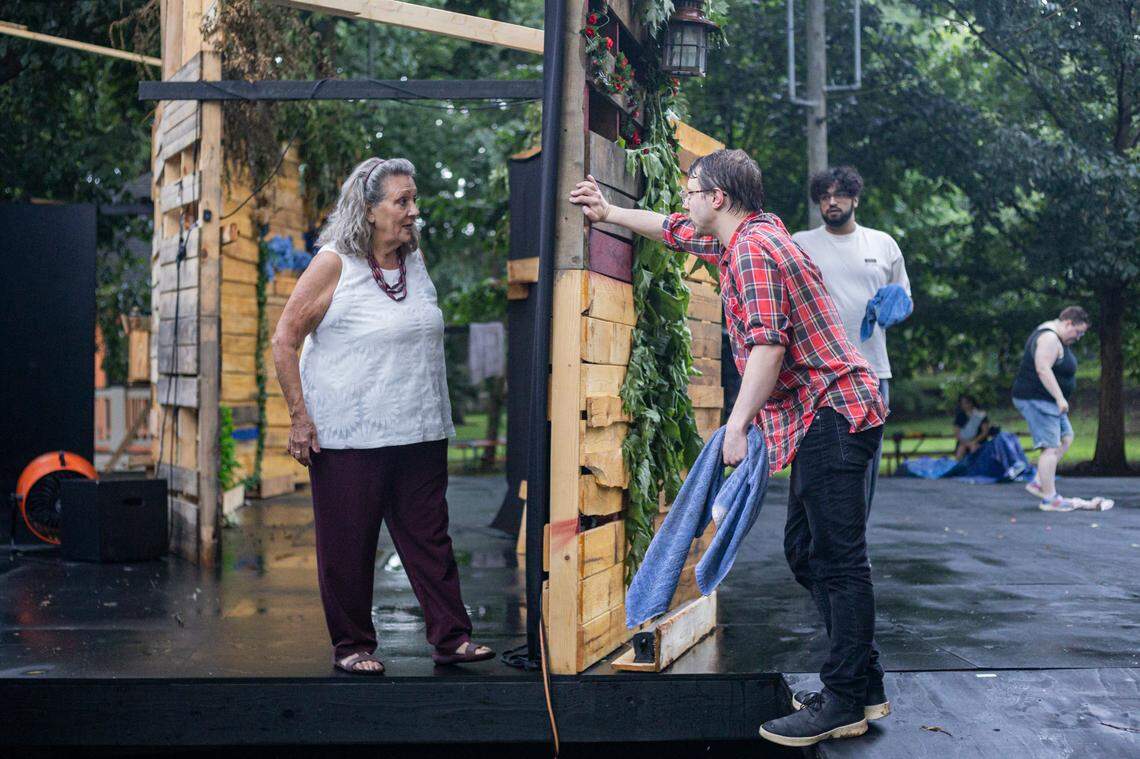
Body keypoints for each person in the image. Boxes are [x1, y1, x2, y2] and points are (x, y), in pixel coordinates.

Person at [570, 150, 888, 748]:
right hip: (826, 413)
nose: (686, 199)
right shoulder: (750, 234)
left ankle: (845, 696)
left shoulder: (752, 252)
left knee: (837, 559)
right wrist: (608, 211)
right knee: (806, 549)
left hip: (835, 411)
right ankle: (863, 682)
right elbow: (671, 227)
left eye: (693, 189)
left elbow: (768, 348)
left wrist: (738, 426)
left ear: (718, 197)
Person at [272, 157, 494, 674]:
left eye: (413, 199)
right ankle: (351, 646)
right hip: (350, 436)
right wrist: (299, 419)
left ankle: (452, 637)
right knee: (348, 546)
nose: (413, 211)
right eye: (402, 201)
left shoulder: (414, 262)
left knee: (430, 538)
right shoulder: (334, 264)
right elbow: (285, 339)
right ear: (369, 210)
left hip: (418, 428)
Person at [792, 166, 911, 510]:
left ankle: (853, 553)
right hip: (815, 374)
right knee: (811, 469)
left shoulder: (883, 244)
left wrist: (896, 306)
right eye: (824, 197)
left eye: (839, 195)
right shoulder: (801, 243)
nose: (831, 202)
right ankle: (814, 553)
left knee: (863, 471)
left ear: (855, 198)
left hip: (871, 372)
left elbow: (903, 296)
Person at [1011, 306, 1090, 511]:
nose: (1079, 337)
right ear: (1068, 323)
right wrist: (1059, 397)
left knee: (1066, 437)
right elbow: (1042, 368)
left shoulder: (1056, 336)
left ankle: (1039, 482)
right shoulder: (1049, 338)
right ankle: (1050, 499)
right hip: (1038, 399)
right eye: (1078, 331)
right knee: (1050, 447)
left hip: (1048, 401)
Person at [953, 394, 991, 459]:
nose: (965, 405)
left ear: (972, 403)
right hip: (964, 442)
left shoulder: (981, 415)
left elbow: (985, 432)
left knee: (974, 448)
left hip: (978, 441)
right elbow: (957, 434)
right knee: (961, 450)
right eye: (962, 403)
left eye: (967, 403)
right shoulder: (959, 416)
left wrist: (974, 441)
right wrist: (965, 443)